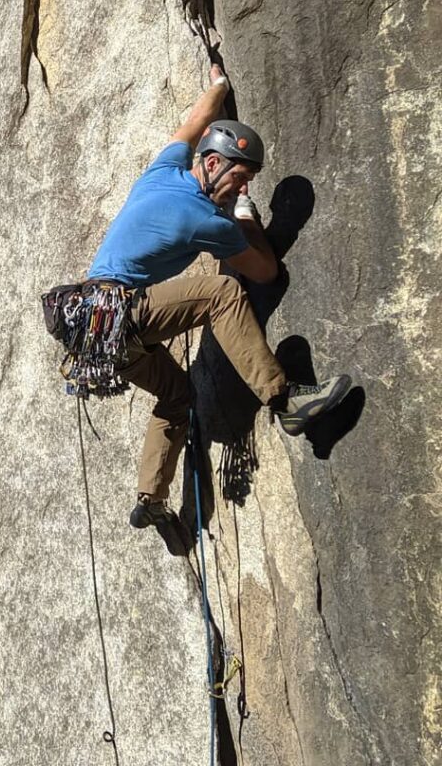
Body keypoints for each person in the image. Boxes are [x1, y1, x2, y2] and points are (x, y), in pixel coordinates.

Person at [86, 64, 352, 529]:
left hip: (94, 334)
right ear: (212, 163)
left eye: (248, 182)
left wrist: (219, 86)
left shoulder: (161, 170)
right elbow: (266, 271)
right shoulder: (207, 221)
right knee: (223, 291)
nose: (243, 187)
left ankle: (150, 498)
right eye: (241, 177)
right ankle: (286, 400)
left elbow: (193, 124)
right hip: (120, 312)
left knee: (177, 396)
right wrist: (244, 215)